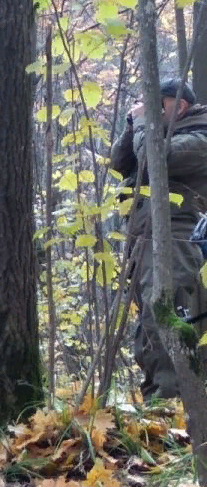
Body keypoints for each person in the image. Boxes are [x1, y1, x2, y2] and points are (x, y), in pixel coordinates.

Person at [110, 79, 207, 401]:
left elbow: (156, 163)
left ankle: (170, 408)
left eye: (157, 105)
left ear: (179, 107)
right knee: (151, 326)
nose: (147, 112)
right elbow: (121, 163)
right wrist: (132, 124)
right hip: (146, 238)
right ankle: (163, 403)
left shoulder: (200, 136)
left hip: (178, 240)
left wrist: (143, 123)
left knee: (167, 320)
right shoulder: (157, 134)